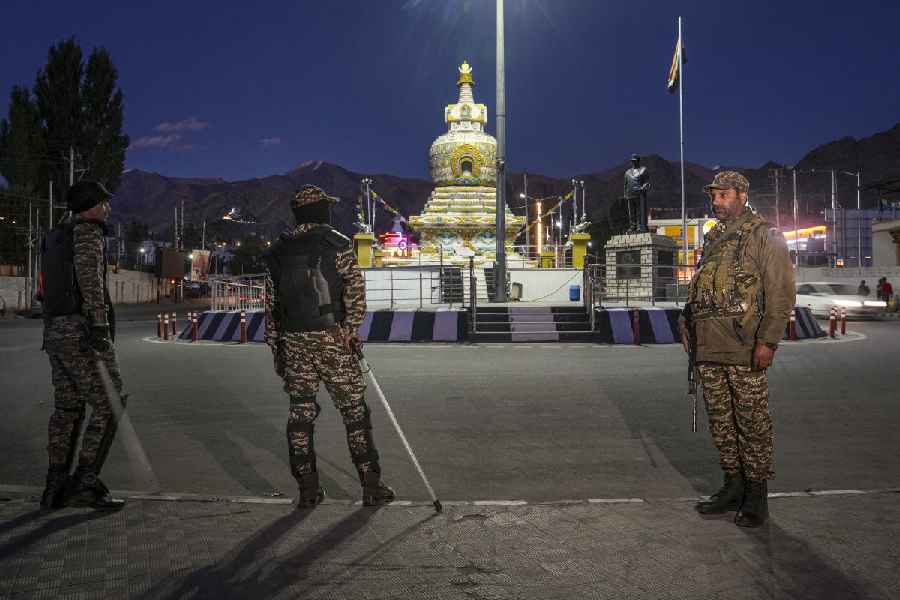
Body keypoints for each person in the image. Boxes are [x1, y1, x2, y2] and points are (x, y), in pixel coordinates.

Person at [264, 184, 395, 509]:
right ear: (322, 210)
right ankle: (371, 485)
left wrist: (278, 349)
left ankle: (308, 490)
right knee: (354, 412)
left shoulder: (278, 251)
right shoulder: (337, 244)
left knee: (300, 413)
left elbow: (271, 306)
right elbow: (355, 292)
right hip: (332, 339)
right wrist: (350, 330)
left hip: (294, 341)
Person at [681, 171, 794, 528]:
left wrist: (768, 341)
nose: (716, 202)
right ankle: (732, 486)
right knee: (721, 423)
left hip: (745, 346)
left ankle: (756, 496)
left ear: (742, 195)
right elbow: (704, 287)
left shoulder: (765, 235)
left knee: (752, 422)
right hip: (710, 346)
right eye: (714, 196)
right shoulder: (713, 238)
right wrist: (688, 322)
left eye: (723, 195)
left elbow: (781, 292)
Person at [39, 181, 126, 511]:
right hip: (82, 332)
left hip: (54, 332)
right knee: (110, 401)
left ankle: (55, 486)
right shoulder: (88, 232)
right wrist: (100, 327)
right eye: (105, 202)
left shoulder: (54, 236)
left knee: (67, 408)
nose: (108, 208)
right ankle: (85, 482)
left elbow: (43, 288)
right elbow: (90, 281)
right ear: (93, 205)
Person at [623, 154, 651, 233]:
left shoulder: (643, 170)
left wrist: (644, 187)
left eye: (635, 161)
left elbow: (647, 182)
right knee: (631, 212)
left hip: (640, 194)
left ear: (638, 161)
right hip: (630, 194)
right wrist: (625, 194)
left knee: (640, 211)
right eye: (632, 161)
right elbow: (625, 184)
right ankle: (632, 226)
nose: (634, 163)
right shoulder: (627, 172)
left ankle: (640, 226)